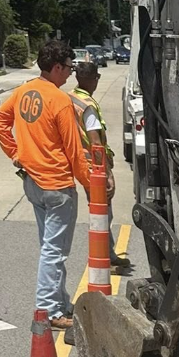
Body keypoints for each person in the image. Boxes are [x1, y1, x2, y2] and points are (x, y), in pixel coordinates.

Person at [0, 40, 91, 331]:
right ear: (57, 67)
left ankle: (58, 302)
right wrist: (90, 185)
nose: (71, 74)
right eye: (69, 68)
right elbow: (74, 151)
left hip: (33, 181)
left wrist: (15, 153)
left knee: (50, 247)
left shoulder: (24, 91)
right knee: (55, 251)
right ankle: (49, 310)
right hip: (57, 185)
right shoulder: (59, 100)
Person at [70, 63, 130, 269]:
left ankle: (107, 253)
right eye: (96, 78)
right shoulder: (88, 105)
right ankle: (104, 257)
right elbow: (96, 143)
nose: (97, 81)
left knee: (100, 212)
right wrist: (107, 173)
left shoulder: (71, 98)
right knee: (102, 212)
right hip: (93, 167)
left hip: (79, 162)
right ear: (92, 79)